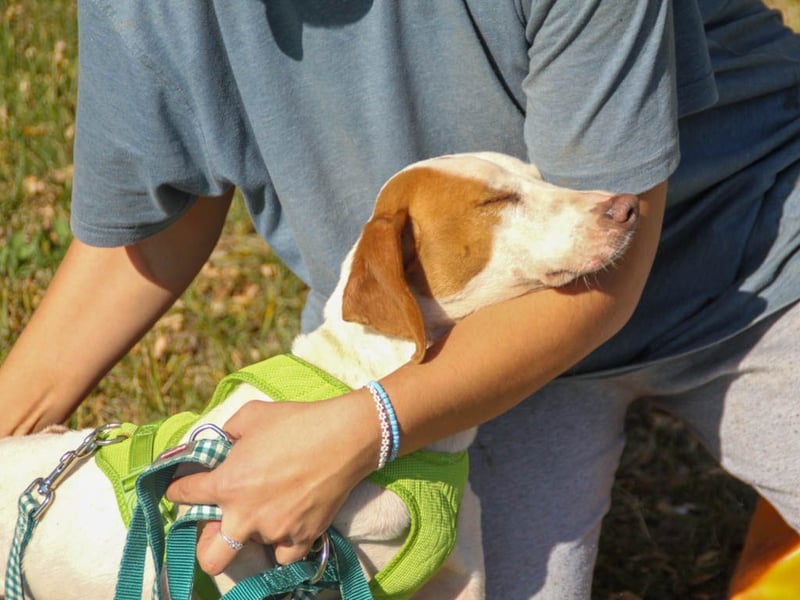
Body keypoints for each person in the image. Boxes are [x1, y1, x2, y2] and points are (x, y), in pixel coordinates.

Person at [1, 0, 799, 597]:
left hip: (747, 264)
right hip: (445, 346)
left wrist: (361, 430)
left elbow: (606, 268)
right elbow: (149, 231)